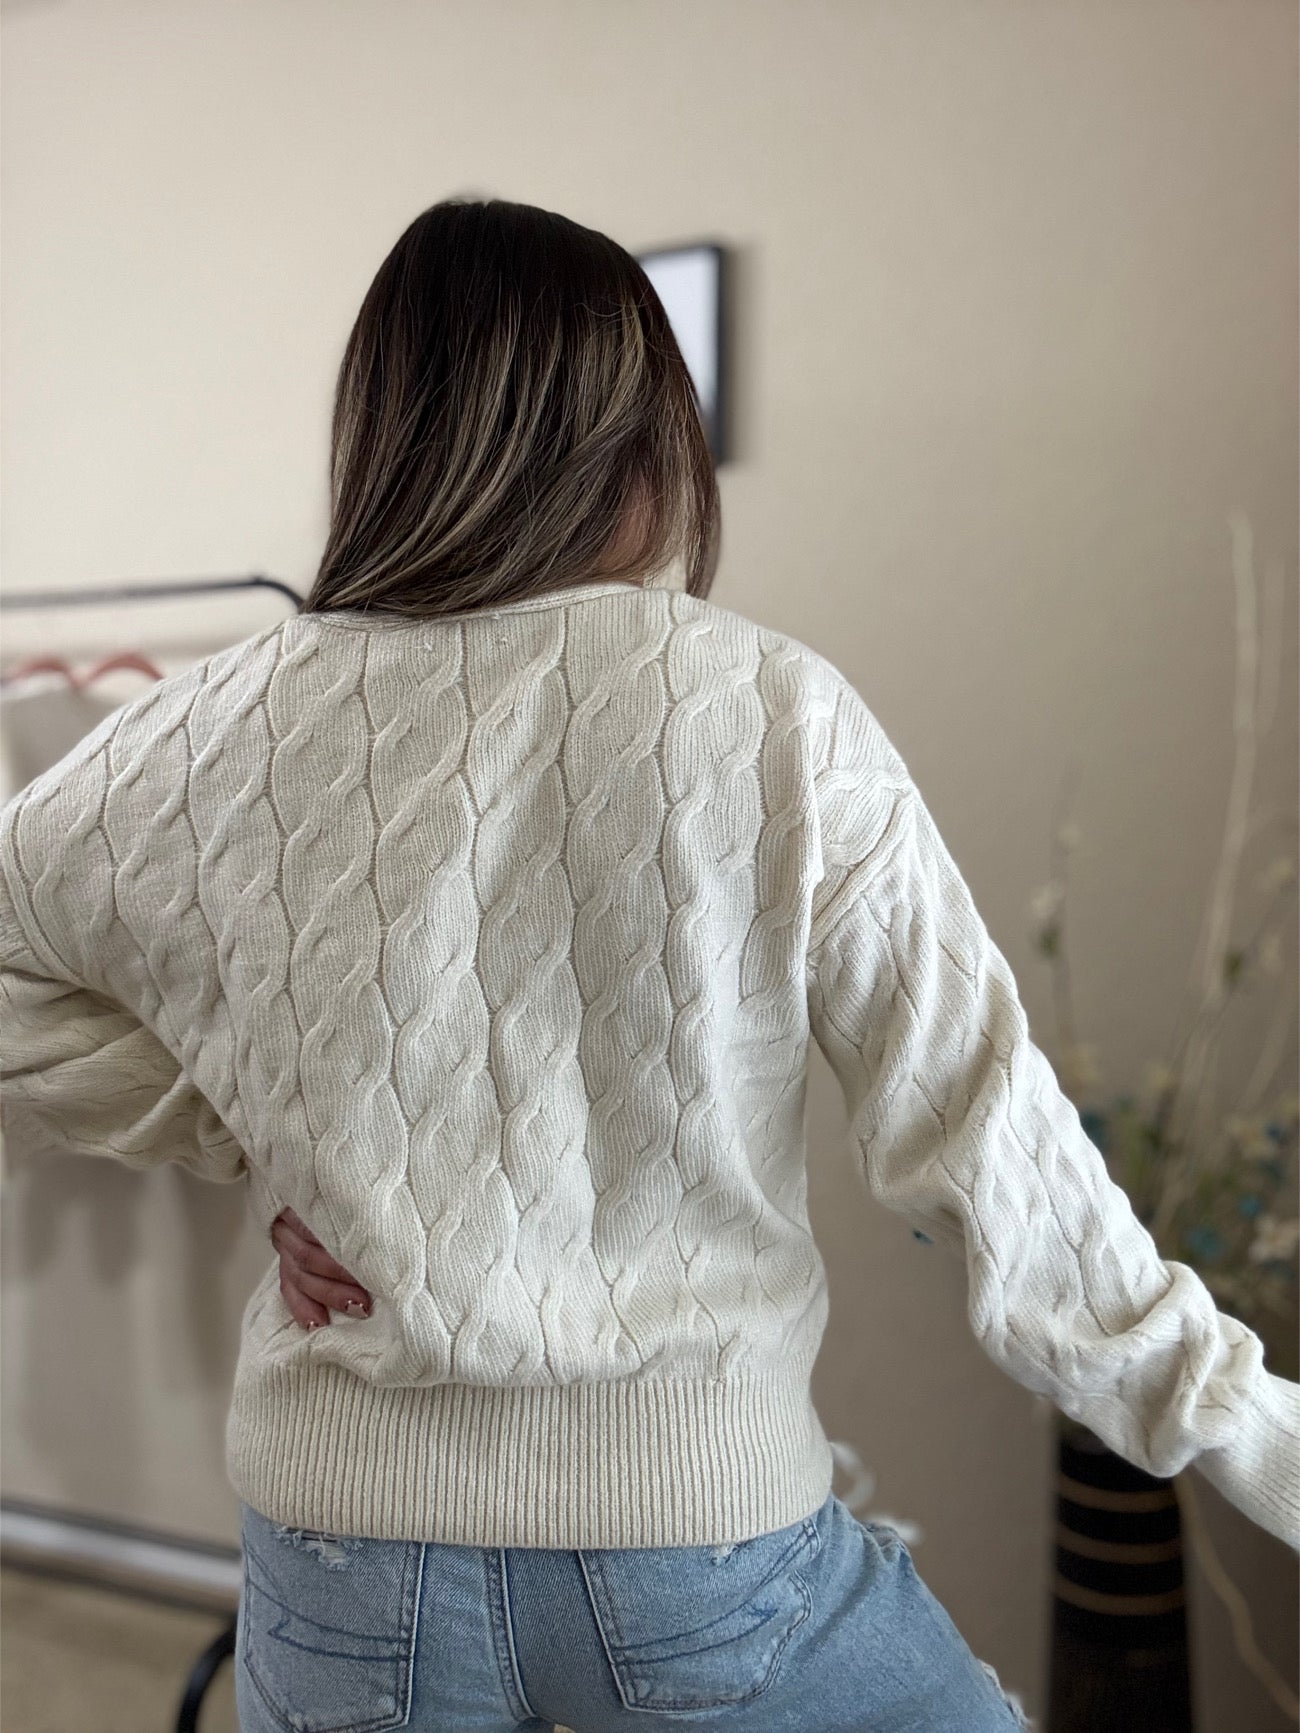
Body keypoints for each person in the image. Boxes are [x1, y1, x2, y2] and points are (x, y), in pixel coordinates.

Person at [1, 196, 1294, 1733]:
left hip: (341, 1561)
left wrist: (252, 1122)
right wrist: (1247, 1424)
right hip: (706, 1550)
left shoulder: (212, 726)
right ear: (642, 440)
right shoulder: (771, 711)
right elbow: (989, 1134)